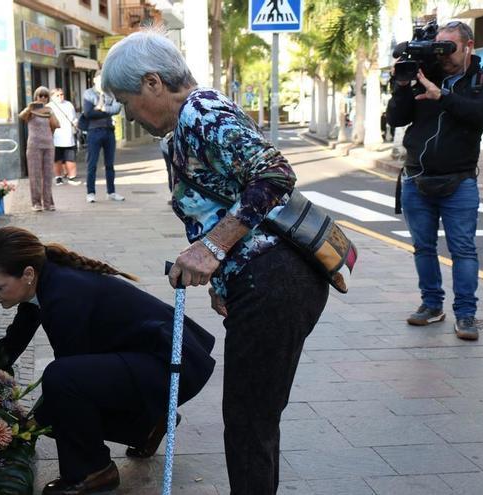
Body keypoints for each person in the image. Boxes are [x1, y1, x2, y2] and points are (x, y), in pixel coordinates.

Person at [101, 29, 329, 494]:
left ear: (152, 83)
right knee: (253, 416)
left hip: (276, 278)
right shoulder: (189, 122)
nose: (128, 115)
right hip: (260, 280)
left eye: (126, 101)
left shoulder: (202, 113)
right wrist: (223, 280)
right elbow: (218, 201)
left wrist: (212, 250)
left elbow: (275, 174)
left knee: (249, 420)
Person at [0, 226, 216, 495]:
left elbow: (68, 381)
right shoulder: (45, 281)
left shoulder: (63, 294)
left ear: (27, 274)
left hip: (171, 366)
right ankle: (148, 425)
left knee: (60, 387)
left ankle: (93, 471)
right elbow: (12, 344)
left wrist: (25, 427)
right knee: (61, 401)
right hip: (151, 358)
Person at [387, 20, 483, 340]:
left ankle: (466, 315)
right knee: (423, 248)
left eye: (449, 48)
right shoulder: (424, 75)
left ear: (469, 46)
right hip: (416, 179)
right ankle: (432, 306)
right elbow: (396, 119)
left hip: (459, 181)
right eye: (438, 48)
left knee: (463, 251)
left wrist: (441, 95)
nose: (443, 55)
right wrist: (402, 86)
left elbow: (480, 114)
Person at [82, 73, 124, 203]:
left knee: (110, 164)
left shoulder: (111, 93)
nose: (102, 82)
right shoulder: (88, 94)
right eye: (100, 79)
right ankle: (90, 192)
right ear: (94, 80)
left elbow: (117, 109)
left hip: (109, 131)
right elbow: (88, 113)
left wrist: (102, 108)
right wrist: (106, 111)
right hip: (94, 131)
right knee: (92, 164)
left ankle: (111, 192)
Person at [19, 87, 59, 211]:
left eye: (45, 96)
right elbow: (21, 116)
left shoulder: (49, 110)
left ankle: (48, 202)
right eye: (40, 95)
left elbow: (56, 124)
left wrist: (50, 113)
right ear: (36, 96)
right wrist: (29, 108)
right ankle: (36, 202)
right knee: (35, 174)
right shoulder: (31, 110)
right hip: (34, 145)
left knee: (48, 175)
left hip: (48, 145)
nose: (43, 98)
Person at [48, 88, 82, 186]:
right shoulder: (49, 107)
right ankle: (58, 177)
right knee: (57, 159)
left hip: (68, 136)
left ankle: (72, 177)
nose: (60, 97)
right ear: (52, 97)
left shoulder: (69, 104)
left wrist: (76, 124)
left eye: (62, 94)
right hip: (55, 137)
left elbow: (74, 118)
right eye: (57, 95)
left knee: (70, 159)